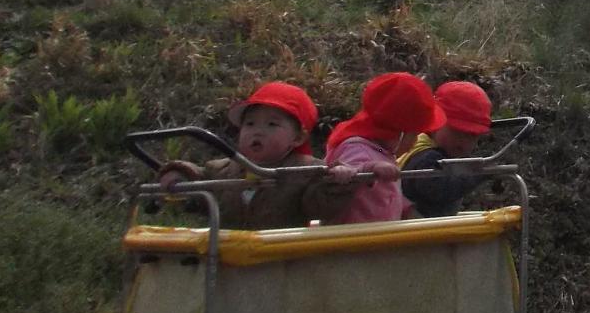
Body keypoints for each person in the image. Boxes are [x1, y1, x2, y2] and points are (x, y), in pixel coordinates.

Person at [154, 80, 347, 229]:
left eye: (272, 124)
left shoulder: (306, 171)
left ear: (297, 138)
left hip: (281, 263)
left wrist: (336, 182)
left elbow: (321, 206)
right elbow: (200, 178)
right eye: (250, 124)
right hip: (227, 260)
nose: (258, 131)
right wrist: (179, 174)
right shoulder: (223, 169)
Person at [323, 73, 445, 224]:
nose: (414, 141)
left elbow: (384, 193)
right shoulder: (358, 149)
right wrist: (369, 168)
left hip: (380, 236)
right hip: (356, 241)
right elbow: (344, 176)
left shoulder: (382, 151)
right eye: (414, 134)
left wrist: (406, 208)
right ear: (399, 132)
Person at [399, 80, 495, 218]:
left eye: (472, 136)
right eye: (457, 132)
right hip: (414, 232)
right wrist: (477, 174)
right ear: (435, 122)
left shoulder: (423, 145)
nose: (463, 142)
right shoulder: (427, 156)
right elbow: (437, 190)